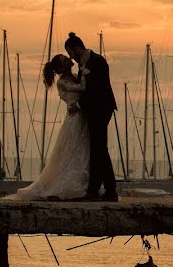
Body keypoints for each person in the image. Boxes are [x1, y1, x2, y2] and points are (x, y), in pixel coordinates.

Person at [6, 54, 89, 200]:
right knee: (72, 150)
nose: (69, 59)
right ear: (62, 67)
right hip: (74, 118)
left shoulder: (74, 76)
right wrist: (85, 71)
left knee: (80, 150)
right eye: (65, 59)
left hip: (81, 116)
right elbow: (82, 88)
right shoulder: (63, 82)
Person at [64, 32, 119, 201]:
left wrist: (79, 105)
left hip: (101, 109)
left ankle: (98, 190)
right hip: (92, 110)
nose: (70, 57)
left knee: (98, 149)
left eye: (70, 53)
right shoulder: (83, 64)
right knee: (98, 150)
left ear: (77, 48)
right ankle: (105, 190)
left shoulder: (97, 61)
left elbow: (96, 90)